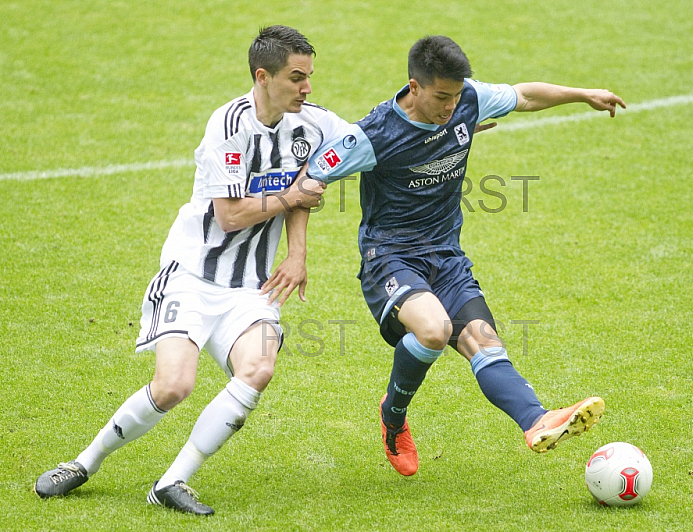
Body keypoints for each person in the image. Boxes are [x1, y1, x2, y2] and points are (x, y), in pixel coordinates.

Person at [34, 25, 349, 514]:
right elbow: (231, 215)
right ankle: (85, 462)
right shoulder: (228, 126)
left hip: (250, 286)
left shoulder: (312, 123)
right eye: (296, 78)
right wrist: (291, 196)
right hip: (191, 275)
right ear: (263, 77)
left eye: (309, 77)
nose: (307, 88)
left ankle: (173, 481)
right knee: (174, 385)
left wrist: (439, 123)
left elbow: (361, 144)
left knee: (258, 368)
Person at [306, 35, 626, 476]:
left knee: (484, 342)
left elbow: (525, 95)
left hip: (447, 257)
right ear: (414, 87)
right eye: (441, 97)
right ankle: (393, 418)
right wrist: (294, 252)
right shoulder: (372, 135)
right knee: (435, 330)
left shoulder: (468, 100)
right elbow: (308, 181)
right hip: (391, 258)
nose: (451, 107)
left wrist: (582, 94)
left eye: (456, 96)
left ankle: (536, 420)